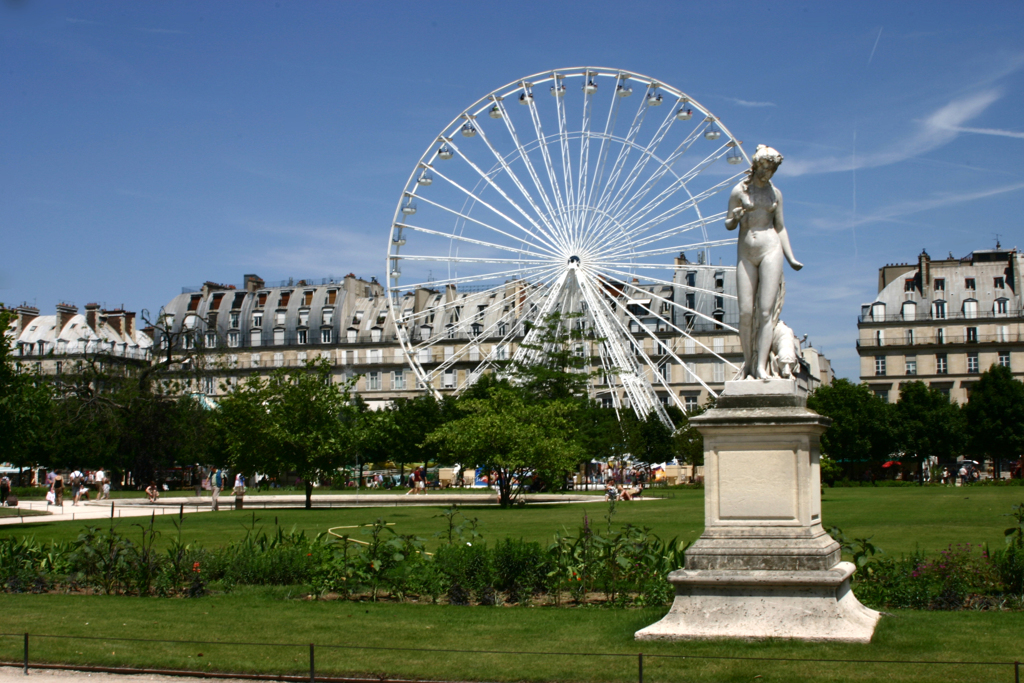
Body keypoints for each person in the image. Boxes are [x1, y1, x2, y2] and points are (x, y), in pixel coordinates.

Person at [725, 145, 803, 380]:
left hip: (771, 248)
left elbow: (779, 226)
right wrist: (737, 217)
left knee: (766, 312)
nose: (767, 173)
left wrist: (790, 257)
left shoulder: (775, 194)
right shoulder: (739, 191)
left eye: (771, 169)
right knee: (746, 313)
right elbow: (728, 224)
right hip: (746, 252)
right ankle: (748, 364)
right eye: (764, 167)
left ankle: (760, 366)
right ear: (756, 165)